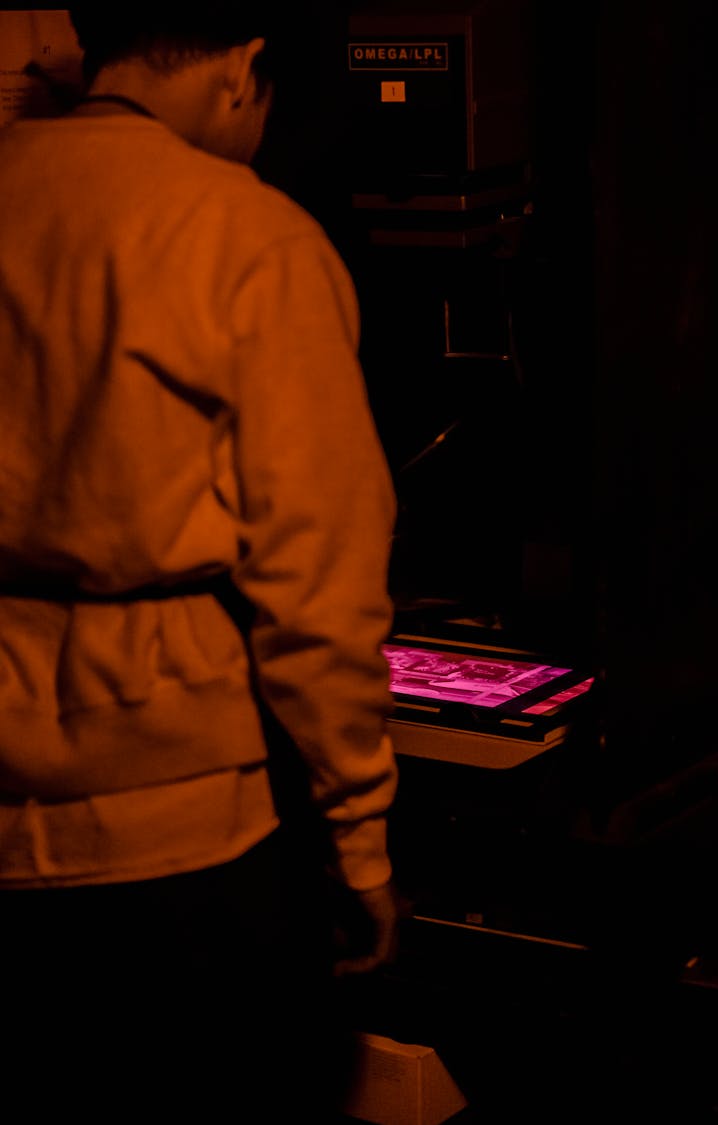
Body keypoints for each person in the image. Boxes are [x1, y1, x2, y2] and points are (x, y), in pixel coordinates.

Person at [0, 5, 400, 1120]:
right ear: (245, 69)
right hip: (179, 836)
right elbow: (316, 577)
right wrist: (359, 841)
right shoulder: (244, 232)